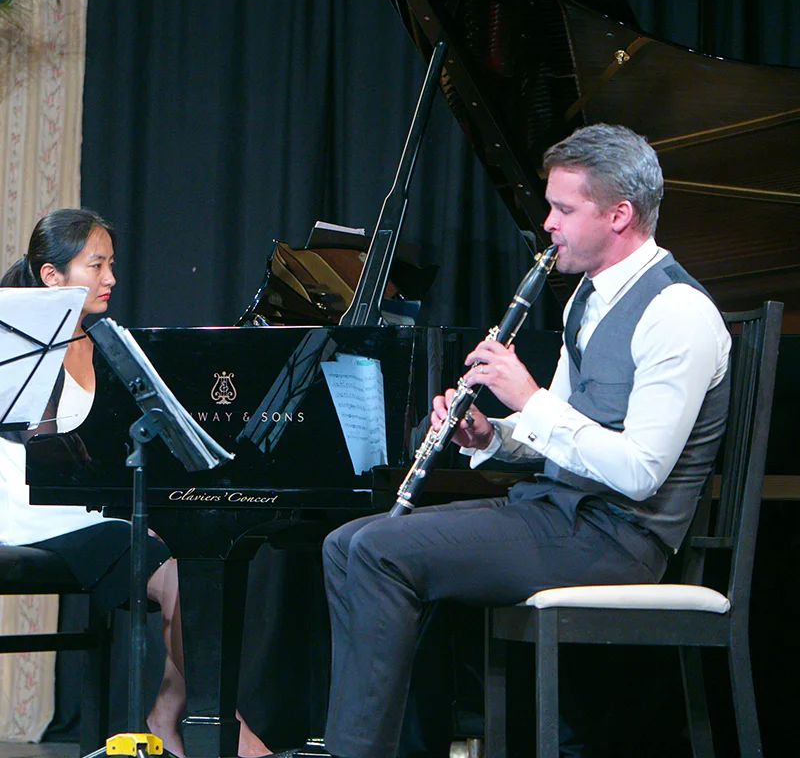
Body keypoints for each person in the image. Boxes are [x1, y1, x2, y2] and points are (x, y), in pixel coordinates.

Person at [321, 124, 732, 758]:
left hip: (621, 539)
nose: (547, 224)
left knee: (380, 552)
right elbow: (560, 432)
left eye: (564, 209)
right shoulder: (585, 303)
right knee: (346, 544)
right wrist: (491, 434)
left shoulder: (679, 313)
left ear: (619, 214)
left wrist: (529, 399)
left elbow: (641, 472)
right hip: (556, 514)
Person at [0, 209, 274, 758]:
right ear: (51, 276)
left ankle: (179, 716)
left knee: (191, 560)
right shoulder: (13, 339)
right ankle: (211, 723)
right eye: (95, 265)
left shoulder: (106, 343)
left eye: (111, 265)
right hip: (24, 506)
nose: (111, 279)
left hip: (83, 508)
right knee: (169, 570)